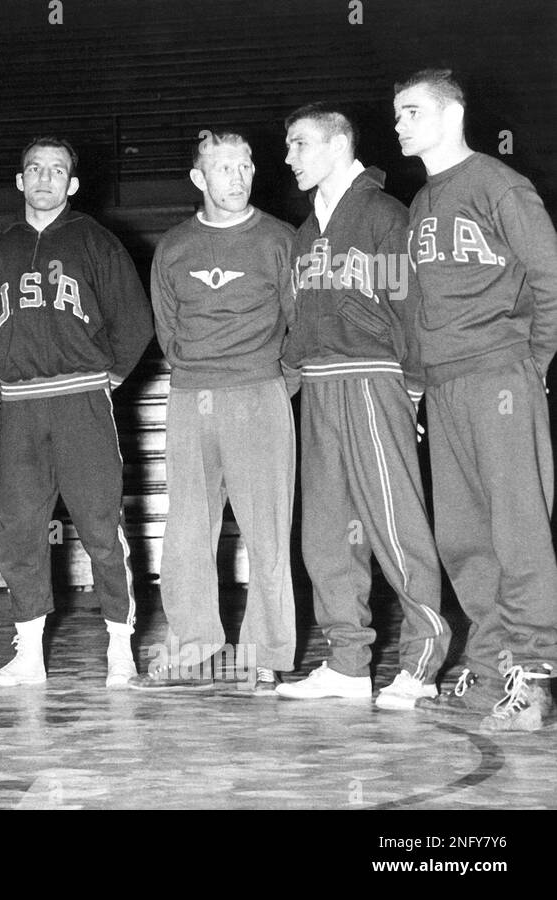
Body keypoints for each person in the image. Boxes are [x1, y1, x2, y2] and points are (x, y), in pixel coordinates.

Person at [395, 69, 557, 732]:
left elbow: (550, 275)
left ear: (448, 115)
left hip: (498, 376)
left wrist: (533, 362)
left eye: (409, 113)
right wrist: (419, 381)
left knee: (518, 530)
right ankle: (492, 665)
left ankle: (537, 676)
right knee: (462, 536)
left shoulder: (499, 186)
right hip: (445, 383)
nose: (399, 125)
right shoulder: (418, 204)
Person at [275, 103, 449, 709]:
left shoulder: (382, 214)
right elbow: (298, 324)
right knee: (325, 534)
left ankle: (423, 662)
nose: (289, 157)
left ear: (337, 144)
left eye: (299, 144)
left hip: (375, 380)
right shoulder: (303, 234)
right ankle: (348, 665)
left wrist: (416, 387)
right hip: (320, 386)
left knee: (393, 523)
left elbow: (415, 311)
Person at [0, 136, 153, 687]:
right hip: (23, 405)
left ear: (72, 184)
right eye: (34, 169)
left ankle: (120, 647)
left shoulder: (98, 242)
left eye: (57, 171)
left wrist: (105, 380)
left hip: (82, 402)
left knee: (101, 525)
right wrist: (10, 370)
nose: (45, 178)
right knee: (18, 530)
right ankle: (29, 654)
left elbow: (136, 323)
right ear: (20, 180)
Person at [131, 132, 295, 694]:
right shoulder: (174, 246)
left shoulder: (281, 239)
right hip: (191, 397)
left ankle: (267, 653)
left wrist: (272, 383)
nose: (237, 176)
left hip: (260, 393)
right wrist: (202, 376)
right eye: (223, 167)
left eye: (245, 165)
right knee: (187, 528)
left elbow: (301, 326)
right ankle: (192, 648)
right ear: (199, 178)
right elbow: (168, 331)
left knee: (267, 531)